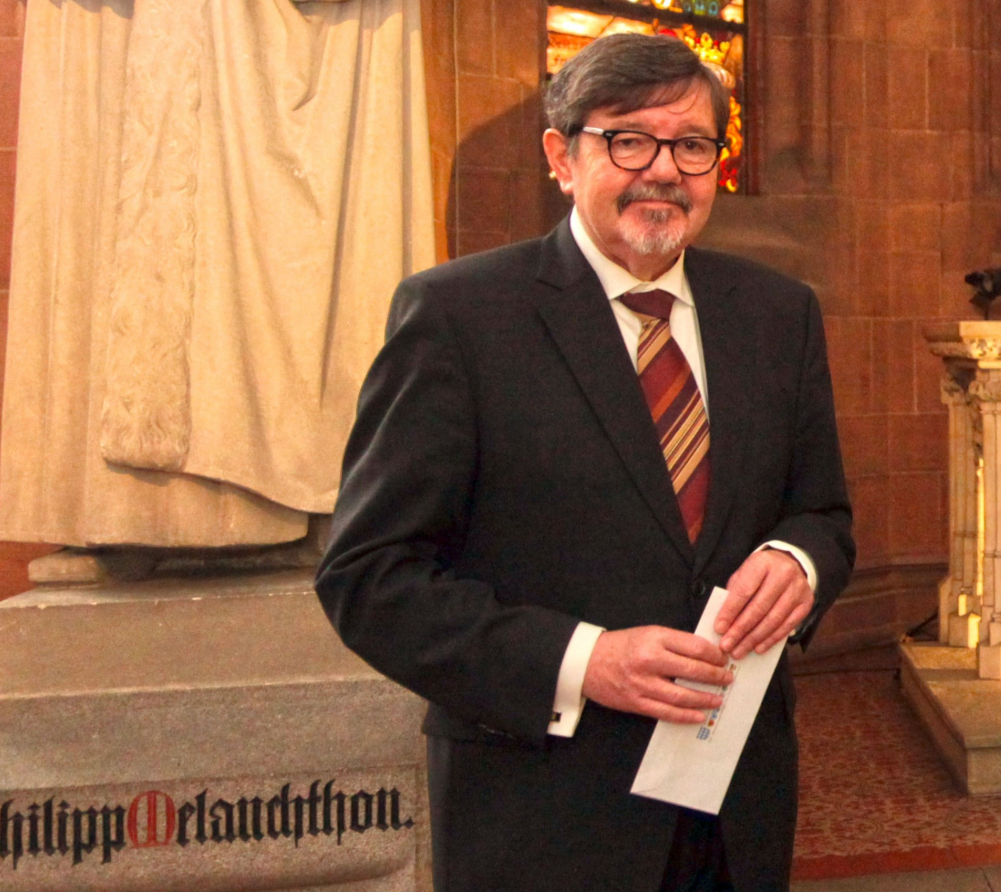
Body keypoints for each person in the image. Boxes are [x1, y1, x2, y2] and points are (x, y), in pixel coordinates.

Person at [314, 33, 854, 892]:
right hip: (545, 815)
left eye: (692, 144)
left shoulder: (776, 314)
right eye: (629, 140)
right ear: (561, 158)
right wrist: (584, 661)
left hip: (736, 811)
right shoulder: (459, 318)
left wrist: (799, 562)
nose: (664, 170)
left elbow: (822, 514)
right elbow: (369, 577)